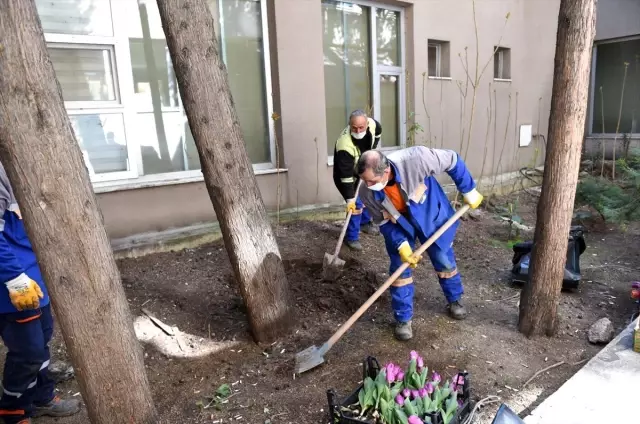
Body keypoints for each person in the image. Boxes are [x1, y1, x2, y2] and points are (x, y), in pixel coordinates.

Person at [356, 147, 483, 341]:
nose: (367, 184)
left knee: (442, 257)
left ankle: (455, 299)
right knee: (399, 268)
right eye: (365, 180)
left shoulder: (416, 159)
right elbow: (383, 222)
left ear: (386, 171)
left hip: (428, 214)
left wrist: (468, 188)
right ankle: (403, 319)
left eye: (371, 180)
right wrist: (402, 245)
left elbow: (452, 159)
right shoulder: (367, 192)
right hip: (399, 224)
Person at [0, 162, 81, 424]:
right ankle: (13, 410)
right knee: (29, 351)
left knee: (42, 339)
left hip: (34, 275)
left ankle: (41, 396)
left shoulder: (25, 162)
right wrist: (14, 278)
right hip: (14, 284)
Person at [333, 109, 382, 251]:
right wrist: (350, 199)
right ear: (349, 124)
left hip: (363, 168)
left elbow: (378, 132)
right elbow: (346, 176)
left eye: (361, 127)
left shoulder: (373, 125)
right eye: (354, 127)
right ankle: (352, 238)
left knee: (367, 195)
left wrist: (372, 150)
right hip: (345, 176)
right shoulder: (344, 145)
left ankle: (365, 223)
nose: (358, 130)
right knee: (356, 206)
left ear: (366, 124)